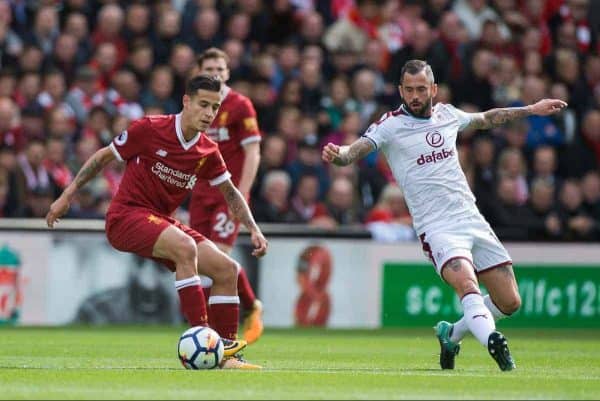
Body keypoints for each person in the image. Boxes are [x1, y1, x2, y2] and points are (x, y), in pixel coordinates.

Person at [322, 59, 568, 371]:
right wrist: (340, 155)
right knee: (467, 284)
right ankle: (493, 341)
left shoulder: (448, 115)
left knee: (510, 302)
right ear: (400, 90)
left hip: (471, 218)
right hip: (436, 227)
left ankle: (452, 333)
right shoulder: (390, 125)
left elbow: (487, 119)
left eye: (421, 89)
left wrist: (531, 109)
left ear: (433, 89)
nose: (414, 96)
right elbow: (356, 150)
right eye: (408, 90)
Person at [45, 75, 268, 369]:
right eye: (203, 104)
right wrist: (66, 196)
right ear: (186, 102)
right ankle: (201, 337)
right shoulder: (149, 129)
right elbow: (102, 158)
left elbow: (231, 193)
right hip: (125, 217)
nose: (208, 114)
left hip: (160, 222)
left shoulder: (208, 151)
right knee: (186, 246)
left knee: (227, 269)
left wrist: (253, 228)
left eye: (214, 108)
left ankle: (227, 356)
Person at [188, 48, 265, 344]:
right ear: (199, 72)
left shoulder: (239, 105)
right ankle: (249, 305)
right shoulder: (196, 106)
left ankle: (214, 325)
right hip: (199, 191)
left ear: (228, 72)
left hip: (226, 193)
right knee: (196, 257)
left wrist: (242, 193)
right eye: (210, 68)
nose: (216, 73)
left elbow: (253, 151)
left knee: (219, 255)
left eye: (220, 68)